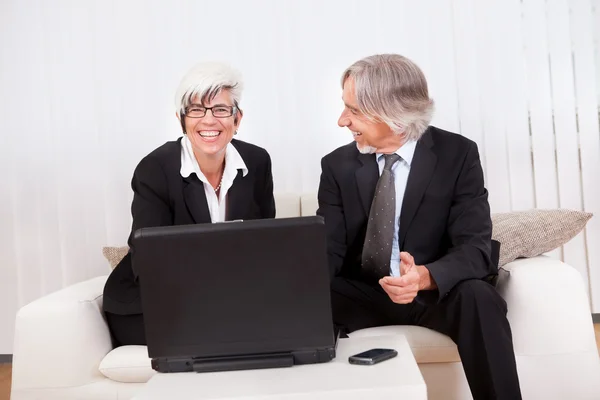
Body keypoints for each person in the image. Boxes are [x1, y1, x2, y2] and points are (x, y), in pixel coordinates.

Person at [317, 54, 522, 400]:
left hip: (433, 293)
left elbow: (474, 248)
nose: (342, 121)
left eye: (353, 110)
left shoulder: (457, 155)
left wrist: (425, 276)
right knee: (307, 302)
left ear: (393, 113)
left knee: (480, 298)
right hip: (366, 292)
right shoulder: (337, 166)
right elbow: (330, 251)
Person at [102, 62, 276, 347]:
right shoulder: (155, 169)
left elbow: (264, 245)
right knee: (223, 334)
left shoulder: (257, 162)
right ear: (181, 119)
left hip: (225, 299)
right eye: (196, 110)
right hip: (151, 302)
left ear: (237, 119)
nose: (209, 121)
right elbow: (147, 261)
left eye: (220, 109)